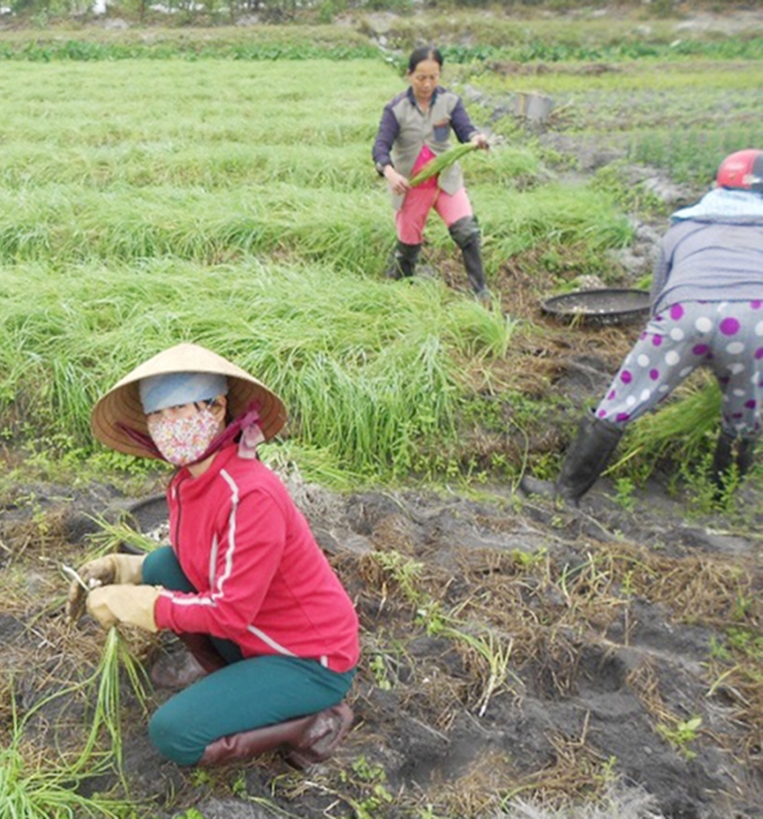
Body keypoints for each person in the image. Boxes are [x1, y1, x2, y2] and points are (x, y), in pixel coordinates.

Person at [70, 342, 359, 768]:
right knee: (162, 565)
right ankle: (228, 679)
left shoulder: (250, 494)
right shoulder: (188, 482)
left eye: (180, 409)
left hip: (309, 658)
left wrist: (145, 605)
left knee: (173, 733)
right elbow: (195, 559)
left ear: (217, 408)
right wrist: (122, 569)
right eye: (156, 415)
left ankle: (310, 724)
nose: (167, 424)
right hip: (258, 631)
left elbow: (230, 612)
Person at [520, 149, 763, 507]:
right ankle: (719, 502)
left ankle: (565, 493)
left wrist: (667, 348)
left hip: (685, 313)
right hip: (755, 319)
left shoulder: (683, 228)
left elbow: (659, 294)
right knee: (743, 417)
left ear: (717, 186)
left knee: (622, 401)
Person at [372, 45, 492, 301]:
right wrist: (390, 172)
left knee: (467, 232)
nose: (427, 84)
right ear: (409, 75)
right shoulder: (396, 109)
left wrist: (476, 138)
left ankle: (480, 292)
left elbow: (465, 130)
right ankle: (401, 293)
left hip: (446, 181)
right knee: (409, 247)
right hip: (412, 187)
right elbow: (380, 147)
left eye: (433, 77)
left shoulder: (450, 102)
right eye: (421, 77)